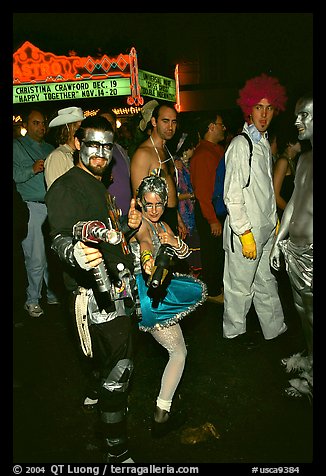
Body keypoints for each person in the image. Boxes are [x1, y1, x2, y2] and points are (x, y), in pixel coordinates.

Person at [45, 115, 143, 463]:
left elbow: (108, 241)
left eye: (106, 146)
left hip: (117, 291)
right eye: (92, 145)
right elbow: (58, 236)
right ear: (77, 144)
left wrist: (128, 230)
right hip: (94, 300)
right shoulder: (65, 187)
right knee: (120, 372)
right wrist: (74, 252)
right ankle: (117, 452)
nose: (100, 153)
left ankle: (99, 395)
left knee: (111, 365)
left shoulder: (99, 185)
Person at [129, 175, 207, 437]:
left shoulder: (162, 225)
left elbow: (185, 254)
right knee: (178, 353)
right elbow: (145, 243)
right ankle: (161, 415)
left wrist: (174, 243)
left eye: (158, 204)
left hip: (148, 295)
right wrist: (149, 262)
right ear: (140, 203)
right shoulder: (139, 223)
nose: (153, 210)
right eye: (148, 204)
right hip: (146, 296)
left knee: (123, 352)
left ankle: (97, 395)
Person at [222, 73, 288, 344]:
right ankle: (234, 336)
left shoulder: (262, 143)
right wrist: (244, 232)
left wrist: (272, 223)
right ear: (249, 109)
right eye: (258, 107)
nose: (264, 114)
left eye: (269, 107)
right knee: (239, 289)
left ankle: (276, 330)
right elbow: (232, 195)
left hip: (263, 231)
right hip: (245, 234)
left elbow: (265, 192)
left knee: (265, 283)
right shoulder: (242, 144)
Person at [270, 93, 313, 398]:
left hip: (312, 252)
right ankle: (310, 360)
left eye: (305, 115)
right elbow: (295, 202)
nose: (297, 121)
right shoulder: (305, 158)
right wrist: (278, 241)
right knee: (301, 311)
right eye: (297, 115)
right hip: (295, 251)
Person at [13, 106, 59, 318]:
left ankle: (51, 292)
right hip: (31, 206)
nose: (41, 127)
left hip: (51, 206)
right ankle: (32, 299)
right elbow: (14, 175)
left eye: (43, 123)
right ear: (25, 125)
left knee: (53, 254)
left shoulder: (50, 148)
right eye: (35, 123)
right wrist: (31, 169)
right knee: (36, 257)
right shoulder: (17, 146)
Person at [130, 101, 187, 238]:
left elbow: (169, 187)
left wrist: (178, 218)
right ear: (154, 122)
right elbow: (139, 198)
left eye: (174, 122)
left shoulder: (165, 150)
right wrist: (150, 231)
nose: (170, 127)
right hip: (154, 220)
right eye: (165, 121)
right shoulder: (143, 154)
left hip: (170, 215)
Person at [189, 112, 226, 304]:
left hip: (216, 210)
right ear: (211, 127)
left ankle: (217, 286)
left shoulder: (215, 150)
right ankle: (212, 291)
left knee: (218, 252)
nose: (224, 128)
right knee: (212, 254)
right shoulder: (203, 154)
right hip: (209, 211)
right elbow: (202, 192)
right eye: (221, 124)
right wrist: (212, 219)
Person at [173, 130, 201, 273]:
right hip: (183, 215)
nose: (194, 150)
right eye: (191, 147)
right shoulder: (177, 168)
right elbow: (174, 195)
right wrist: (191, 195)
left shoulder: (185, 165)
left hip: (190, 213)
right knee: (187, 250)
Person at [97, 107, 132, 217]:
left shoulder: (120, 149)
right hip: (108, 217)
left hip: (127, 215)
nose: (108, 127)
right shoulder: (95, 152)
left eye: (111, 123)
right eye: (104, 123)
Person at [44, 106, 85, 188]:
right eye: (79, 128)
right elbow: (57, 194)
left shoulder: (82, 154)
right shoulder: (57, 156)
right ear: (68, 129)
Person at [272, 124, 301, 219]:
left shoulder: (291, 162)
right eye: (298, 141)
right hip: (285, 215)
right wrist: (292, 214)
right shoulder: (283, 162)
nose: (301, 143)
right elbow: (275, 196)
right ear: (290, 143)